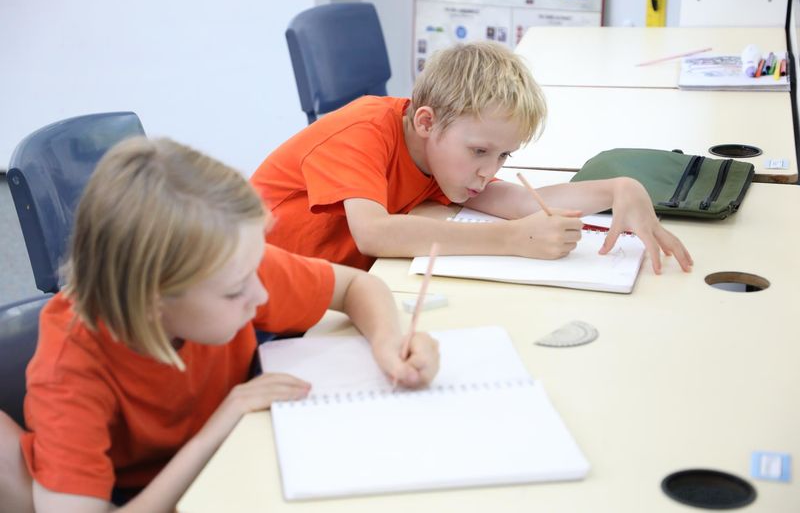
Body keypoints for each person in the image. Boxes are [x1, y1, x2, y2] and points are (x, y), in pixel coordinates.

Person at [0, 137, 439, 513]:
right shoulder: (69, 372)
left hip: (231, 460)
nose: (261, 295)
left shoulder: (226, 264)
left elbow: (357, 286)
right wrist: (222, 422)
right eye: (234, 292)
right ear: (153, 300)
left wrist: (388, 343)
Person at [251, 41, 692, 275]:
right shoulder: (361, 132)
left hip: (336, 283)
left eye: (503, 155)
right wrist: (512, 240)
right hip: (259, 298)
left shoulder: (443, 156)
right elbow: (374, 233)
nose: (490, 170)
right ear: (426, 122)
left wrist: (618, 189)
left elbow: (521, 202)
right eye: (480, 151)